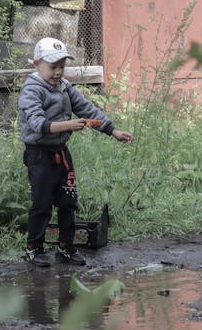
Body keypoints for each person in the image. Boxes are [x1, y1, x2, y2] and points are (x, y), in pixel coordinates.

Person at [18, 37, 133, 267]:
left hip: (61, 153)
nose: (58, 72)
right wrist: (68, 125)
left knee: (68, 201)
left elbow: (87, 109)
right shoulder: (31, 90)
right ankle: (34, 249)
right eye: (53, 67)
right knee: (41, 204)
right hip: (39, 155)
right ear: (37, 64)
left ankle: (66, 248)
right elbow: (38, 124)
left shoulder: (65, 87)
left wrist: (113, 130)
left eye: (62, 66)